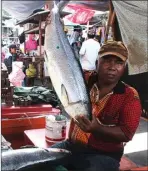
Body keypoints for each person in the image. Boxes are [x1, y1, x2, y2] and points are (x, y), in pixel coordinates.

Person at [51, 41, 142, 171]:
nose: (112, 67)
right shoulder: (83, 80)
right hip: (71, 146)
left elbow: (126, 133)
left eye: (119, 63)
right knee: (36, 161)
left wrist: (96, 128)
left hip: (103, 155)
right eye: (107, 61)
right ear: (96, 63)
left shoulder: (129, 96)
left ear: (124, 68)